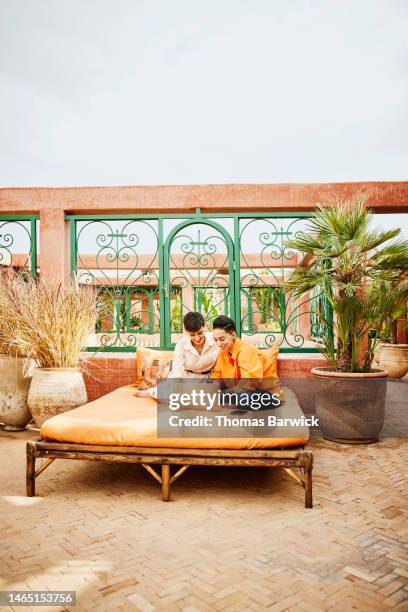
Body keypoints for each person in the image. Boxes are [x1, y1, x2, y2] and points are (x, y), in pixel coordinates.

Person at [134, 311, 219, 398]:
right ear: (186, 332)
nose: (197, 338)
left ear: (205, 326)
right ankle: (150, 392)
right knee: (172, 397)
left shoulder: (215, 340)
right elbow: (178, 373)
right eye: (192, 335)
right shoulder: (181, 345)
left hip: (208, 379)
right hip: (186, 378)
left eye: (200, 333)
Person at [211, 315, 282, 411]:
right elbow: (217, 376)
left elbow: (249, 382)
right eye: (216, 340)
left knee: (244, 398)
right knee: (207, 395)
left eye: (222, 339)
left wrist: (228, 394)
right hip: (240, 391)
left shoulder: (246, 350)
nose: (219, 344)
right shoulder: (222, 353)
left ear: (233, 335)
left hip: (267, 394)